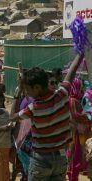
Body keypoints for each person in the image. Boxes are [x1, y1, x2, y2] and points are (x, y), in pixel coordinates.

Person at [10, 53, 85, 181]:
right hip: (61, 158)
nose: (27, 92)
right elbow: (71, 72)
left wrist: (19, 91)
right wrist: (80, 53)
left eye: (28, 89)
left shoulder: (33, 108)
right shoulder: (62, 94)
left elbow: (12, 116)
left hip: (41, 160)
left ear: (37, 87)